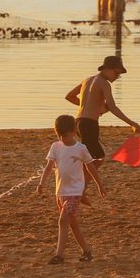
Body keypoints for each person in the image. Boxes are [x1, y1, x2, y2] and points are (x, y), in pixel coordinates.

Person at [36, 113, 102, 264]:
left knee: (63, 219)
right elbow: (48, 167)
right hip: (61, 192)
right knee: (72, 223)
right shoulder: (56, 147)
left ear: (74, 132)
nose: (62, 139)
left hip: (75, 192)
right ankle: (87, 251)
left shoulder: (81, 148)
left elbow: (90, 167)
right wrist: (41, 184)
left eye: (65, 135)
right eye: (59, 136)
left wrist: (99, 185)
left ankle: (59, 255)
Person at [63, 55, 140, 160]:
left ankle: (79, 175)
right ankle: (79, 176)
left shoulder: (87, 80)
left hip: (78, 122)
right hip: (89, 124)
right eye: (116, 73)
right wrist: (132, 124)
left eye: (119, 74)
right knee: (97, 158)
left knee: (91, 157)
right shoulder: (104, 84)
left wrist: (91, 106)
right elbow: (113, 108)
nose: (117, 76)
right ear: (106, 69)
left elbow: (70, 97)